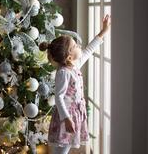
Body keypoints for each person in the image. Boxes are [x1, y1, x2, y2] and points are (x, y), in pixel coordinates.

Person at [39, 15, 111, 154]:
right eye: (75, 46)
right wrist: (66, 118)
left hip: (75, 114)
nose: (79, 46)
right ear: (69, 57)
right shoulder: (63, 73)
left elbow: (89, 50)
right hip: (66, 116)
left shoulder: (74, 65)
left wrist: (103, 32)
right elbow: (59, 97)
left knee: (65, 147)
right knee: (62, 148)